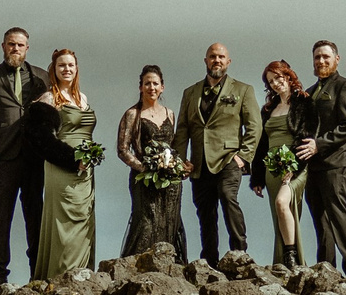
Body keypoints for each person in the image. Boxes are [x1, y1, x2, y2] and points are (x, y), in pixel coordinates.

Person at [0, 27, 49, 286]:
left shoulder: (42, 77)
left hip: (34, 158)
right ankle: (0, 277)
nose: (15, 49)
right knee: (1, 219)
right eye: (11, 44)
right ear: (3, 46)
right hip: (2, 159)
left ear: (27, 48)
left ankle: (36, 275)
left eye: (20, 45)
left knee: (35, 218)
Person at [176, 42, 261, 262]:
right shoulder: (190, 92)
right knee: (205, 211)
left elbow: (254, 126)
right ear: (206, 60)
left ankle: (239, 254)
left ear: (228, 62)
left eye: (221, 57)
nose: (217, 60)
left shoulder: (243, 90)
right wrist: (180, 161)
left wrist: (243, 157)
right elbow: (183, 129)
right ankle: (209, 260)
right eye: (213, 56)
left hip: (229, 159)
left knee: (227, 196)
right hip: (199, 162)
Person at [22, 48, 99, 282]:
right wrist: (72, 159)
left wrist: (89, 158)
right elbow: (41, 140)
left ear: (77, 69)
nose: (67, 69)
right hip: (62, 168)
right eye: (61, 65)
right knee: (64, 224)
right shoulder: (49, 99)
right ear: (53, 70)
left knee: (85, 222)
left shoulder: (83, 98)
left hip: (86, 173)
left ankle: (83, 278)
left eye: (70, 65)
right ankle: (60, 277)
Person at [290, 39, 346, 274]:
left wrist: (319, 145)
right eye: (317, 57)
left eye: (325, 57)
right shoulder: (309, 93)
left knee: (337, 215)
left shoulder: (345, 86)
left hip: (336, 163)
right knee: (320, 220)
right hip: (313, 166)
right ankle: (326, 269)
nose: (321, 61)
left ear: (336, 59)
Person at [119, 65, 188, 259]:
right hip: (144, 180)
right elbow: (123, 150)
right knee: (146, 223)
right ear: (140, 87)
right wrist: (146, 168)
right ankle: (138, 267)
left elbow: (174, 147)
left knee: (169, 221)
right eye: (147, 83)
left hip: (170, 182)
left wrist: (179, 165)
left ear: (162, 87)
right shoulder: (132, 114)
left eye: (155, 83)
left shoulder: (170, 113)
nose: (151, 87)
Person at [247, 60, 306, 266]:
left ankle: (291, 256)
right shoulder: (268, 109)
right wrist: (256, 177)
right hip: (272, 168)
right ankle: (284, 262)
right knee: (278, 213)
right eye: (271, 81)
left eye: (278, 78)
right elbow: (261, 144)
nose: (275, 83)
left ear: (288, 76)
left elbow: (306, 136)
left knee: (282, 202)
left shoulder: (303, 103)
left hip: (296, 167)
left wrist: (294, 167)